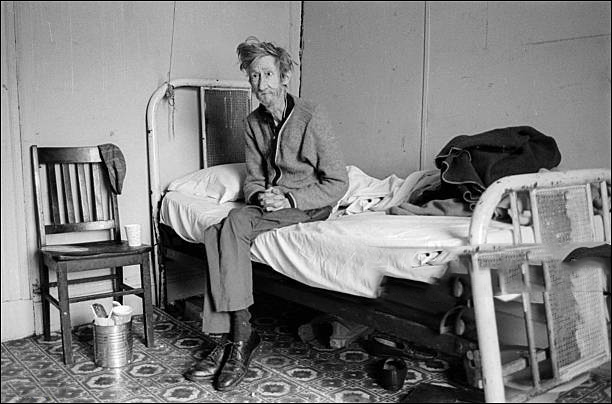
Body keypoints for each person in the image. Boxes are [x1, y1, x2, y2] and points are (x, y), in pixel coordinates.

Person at [184, 36, 349, 392]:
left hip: (309, 205)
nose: (261, 84)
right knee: (215, 232)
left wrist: (289, 200)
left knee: (234, 223)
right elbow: (254, 179)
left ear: (284, 75)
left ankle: (238, 339)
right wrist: (262, 194)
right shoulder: (252, 123)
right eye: (254, 76)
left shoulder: (310, 116)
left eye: (268, 74)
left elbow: (338, 182)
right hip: (271, 205)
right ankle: (234, 337)